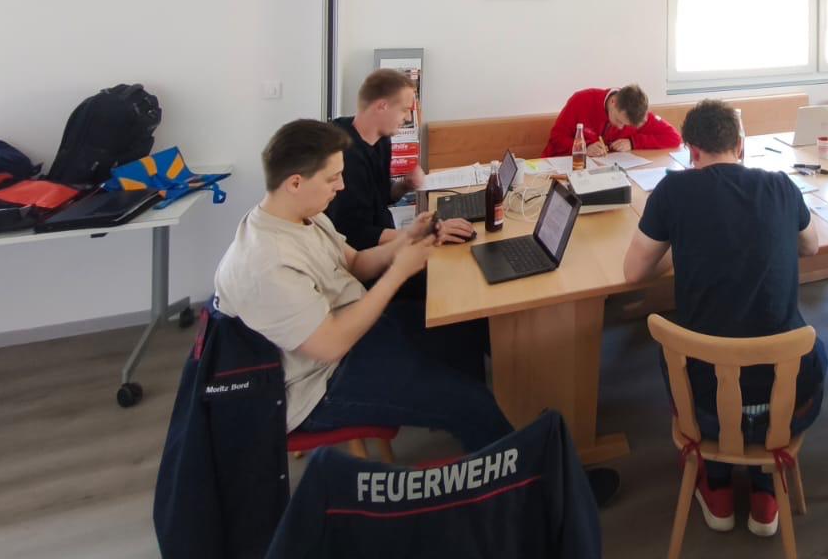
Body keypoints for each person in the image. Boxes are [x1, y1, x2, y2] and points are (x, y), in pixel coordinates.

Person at [214, 119, 511, 450]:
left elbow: (354, 262)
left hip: (358, 330)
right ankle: (503, 459)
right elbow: (331, 345)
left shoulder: (304, 215)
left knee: (467, 325)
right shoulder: (265, 263)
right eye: (332, 178)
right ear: (295, 182)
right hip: (322, 382)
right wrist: (399, 271)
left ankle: (472, 427)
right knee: (474, 405)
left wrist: (407, 238)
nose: (341, 186)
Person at [623, 99, 826, 539]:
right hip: (790, 403)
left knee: (677, 348)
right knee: (810, 341)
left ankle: (716, 486)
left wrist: (679, 247)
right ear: (741, 146)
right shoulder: (781, 186)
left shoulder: (672, 192)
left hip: (706, 408)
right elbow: (811, 246)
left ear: (691, 151)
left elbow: (633, 272)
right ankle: (765, 491)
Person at [326, 68, 424, 252]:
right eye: (404, 110)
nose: (408, 118)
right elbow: (355, 234)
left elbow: (382, 196)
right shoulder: (343, 155)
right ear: (382, 106)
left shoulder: (382, 139)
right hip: (363, 256)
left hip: (384, 242)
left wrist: (406, 184)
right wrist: (419, 234)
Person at [542, 84, 681, 158]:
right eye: (618, 120)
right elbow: (556, 138)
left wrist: (633, 142)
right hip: (563, 168)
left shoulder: (637, 112)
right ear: (613, 102)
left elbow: (674, 137)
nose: (620, 128)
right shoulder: (581, 101)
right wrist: (584, 147)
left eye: (626, 125)